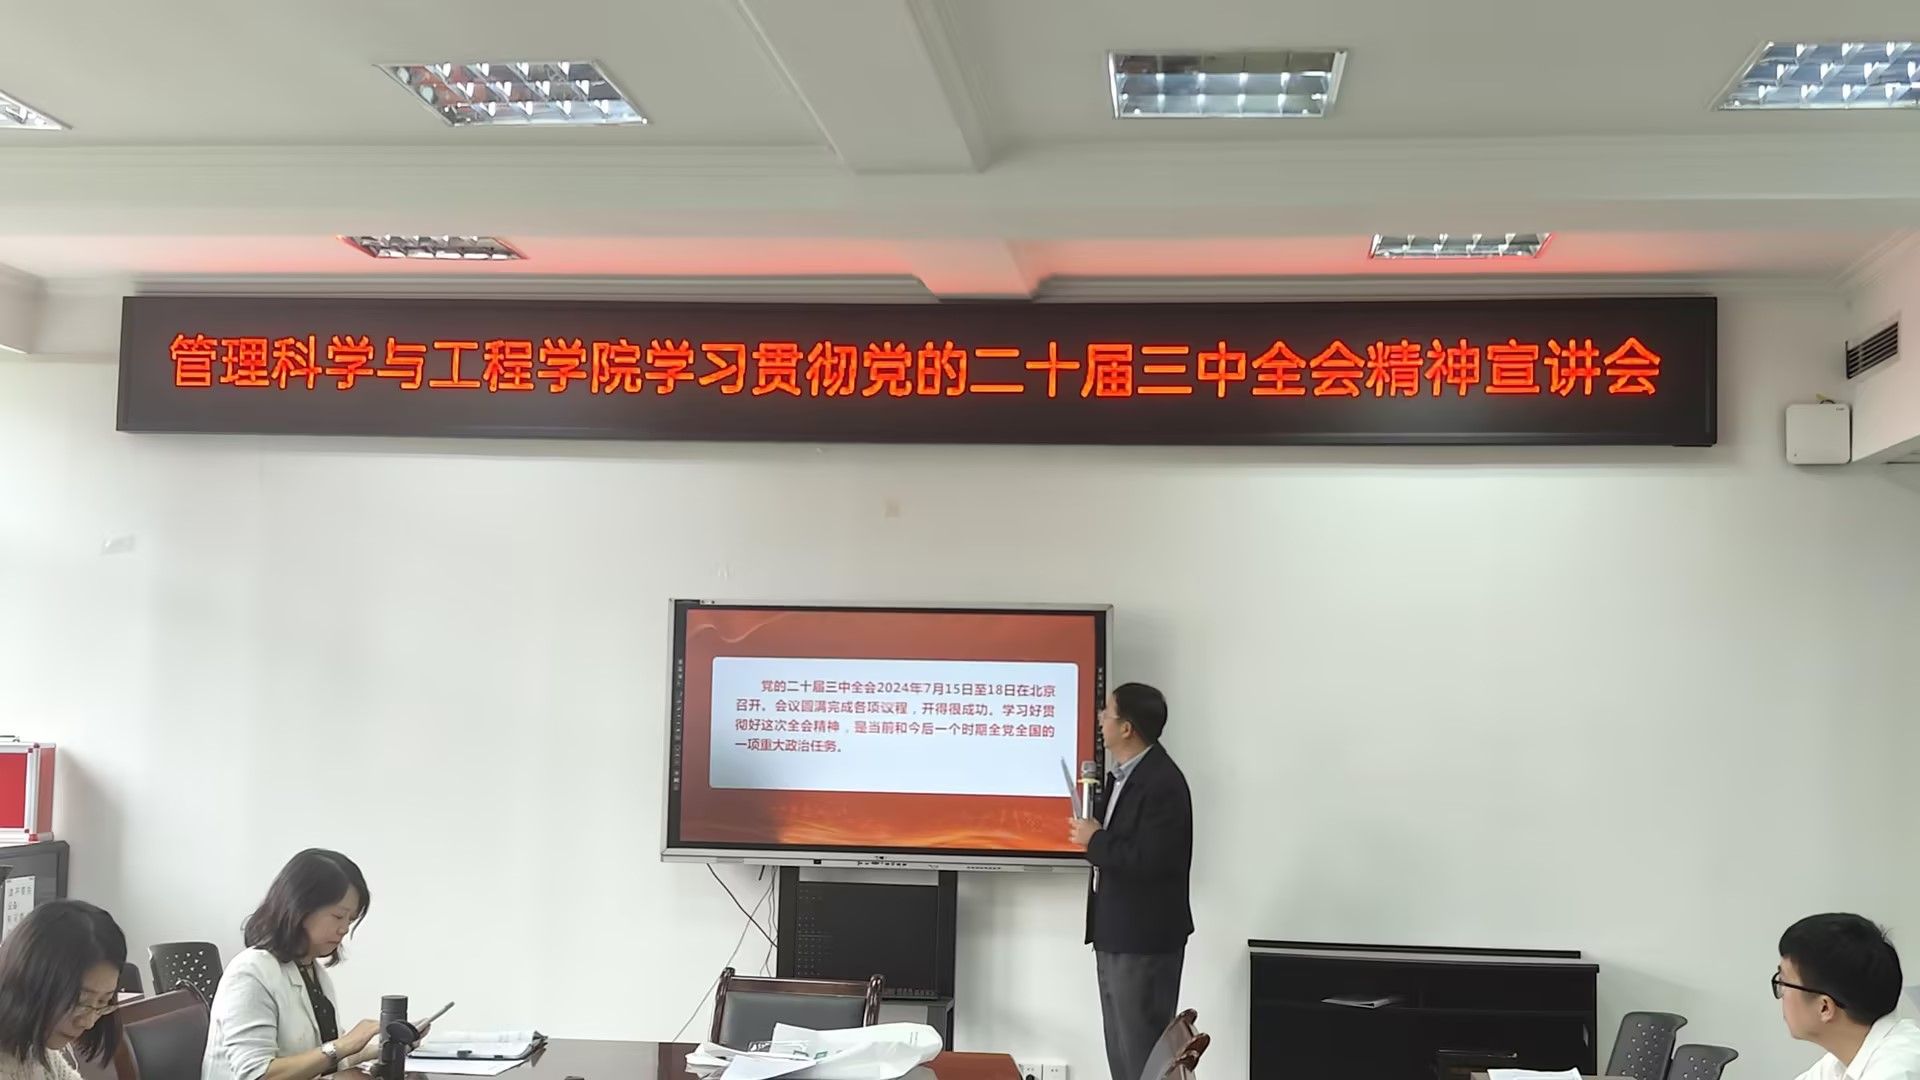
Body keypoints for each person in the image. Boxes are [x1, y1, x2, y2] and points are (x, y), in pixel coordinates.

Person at [204, 849, 424, 1080]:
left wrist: (386, 1047)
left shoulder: (312, 972)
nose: (344, 929)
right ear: (300, 908)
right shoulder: (250, 972)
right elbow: (257, 1074)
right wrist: (344, 1044)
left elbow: (323, 1062)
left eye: (350, 920)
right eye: (338, 916)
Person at [1068, 682, 1194, 1080]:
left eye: (1107, 713)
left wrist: (1095, 840)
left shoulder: (1162, 782)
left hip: (1143, 940)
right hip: (1115, 931)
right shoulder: (1122, 777)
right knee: (1121, 1052)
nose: (1100, 720)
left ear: (1127, 728)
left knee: (1142, 1053)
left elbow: (1151, 860)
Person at [1776, 913, 1920, 1080]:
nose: (1781, 994)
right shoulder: (1843, 1060)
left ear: (1824, 1007)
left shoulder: (1896, 1071)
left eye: (1783, 981)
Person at [0, 900, 128, 1080]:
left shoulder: (32, 1047)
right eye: (79, 1001)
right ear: (28, 979)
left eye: (103, 1002)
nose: (88, 1022)